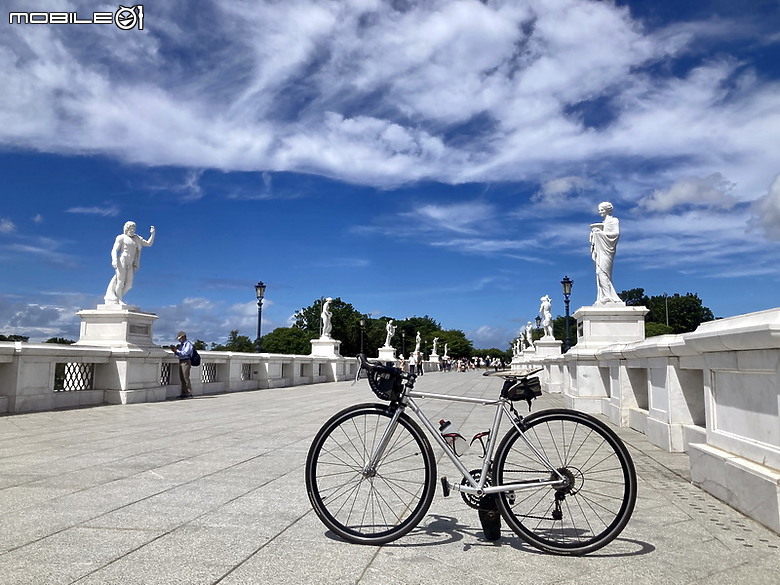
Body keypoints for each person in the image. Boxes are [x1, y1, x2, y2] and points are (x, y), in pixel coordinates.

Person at [104, 221, 156, 305]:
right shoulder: (121, 237)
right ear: (126, 229)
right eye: (131, 229)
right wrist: (114, 260)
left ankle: (116, 299)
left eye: (134, 229)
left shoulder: (137, 238)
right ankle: (119, 300)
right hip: (122, 261)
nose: (132, 230)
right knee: (120, 282)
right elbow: (114, 250)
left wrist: (152, 234)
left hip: (131, 263)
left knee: (129, 285)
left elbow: (148, 244)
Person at [590, 202, 622, 305]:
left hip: (607, 250)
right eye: (599, 210)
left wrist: (600, 233)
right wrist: (594, 234)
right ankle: (604, 296)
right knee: (599, 272)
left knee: (602, 272)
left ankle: (609, 297)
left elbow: (616, 234)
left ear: (607, 210)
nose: (600, 212)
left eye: (602, 210)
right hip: (600, 250)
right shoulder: (603, 223)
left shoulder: (614, 220)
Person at [172, 331, 193, 399]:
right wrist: (175, 351)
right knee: (182, 378)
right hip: (181, 361)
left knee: (185, 377)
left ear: (183, 337)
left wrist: (177, 351)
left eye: (180, 338)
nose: (179, 340)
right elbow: (180, 353)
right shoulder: (182, 344)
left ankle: (189, 393)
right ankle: (184, 393)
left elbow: (185, 353)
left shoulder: (188, 344)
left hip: (186, 361)